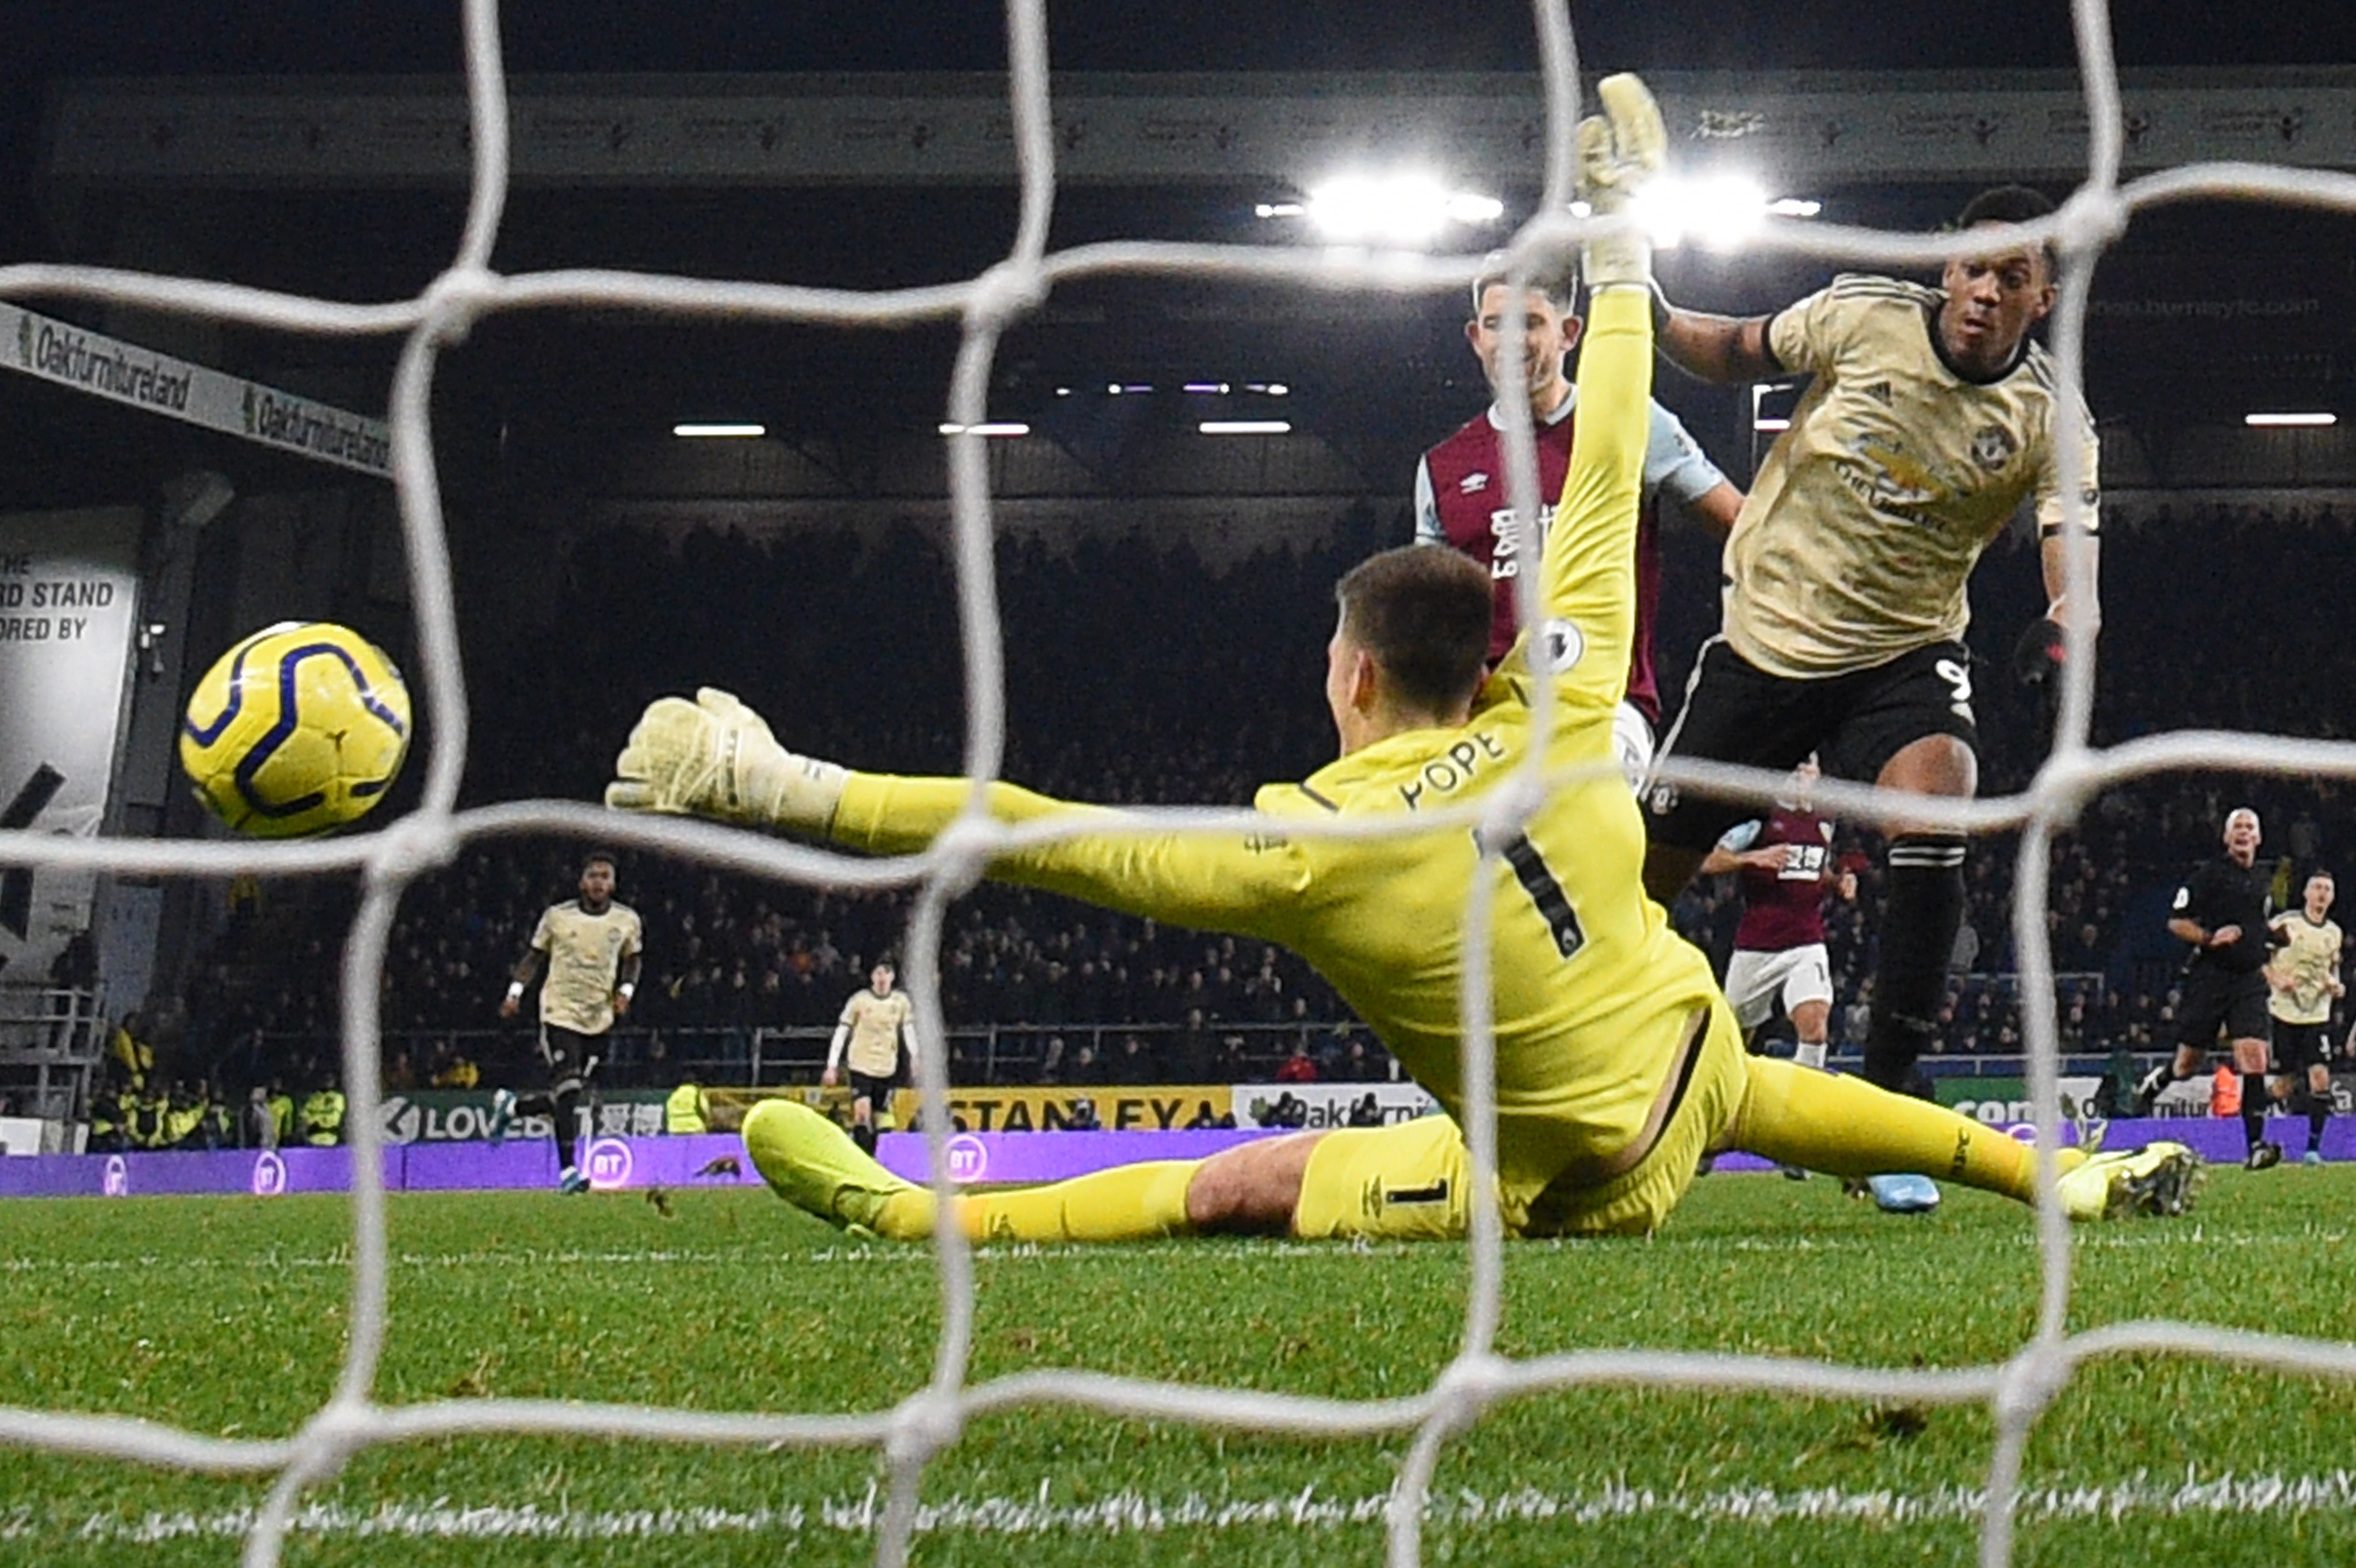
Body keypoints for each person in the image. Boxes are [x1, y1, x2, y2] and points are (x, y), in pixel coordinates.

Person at [606, 76, 2193, 1247]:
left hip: (1570, 1178)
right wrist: (1624, 243)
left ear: (1358, 675)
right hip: (1697, 1059)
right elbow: (1604, 463)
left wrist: (772, 780)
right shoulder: (1569, 703)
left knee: (1239, 1186)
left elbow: (1015, 829)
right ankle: (2064, 1168)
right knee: (1732, 1042)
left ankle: (921, 1224)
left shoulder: (1310, 846)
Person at [1639, 184, 2103, 1109]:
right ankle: (1595, 1056)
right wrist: (1645, 312)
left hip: (1901, 655)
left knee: (1940, 812)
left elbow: (2073, 554)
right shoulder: (1860, 316)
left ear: (2040, 299)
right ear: (1946, 268)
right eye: (1973, 269)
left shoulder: (2049, 417)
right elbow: (1730, 350)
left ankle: (1888, 1095)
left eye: (2010, 278)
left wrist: (2062, 619)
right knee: (1645, 873)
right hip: (1765, 644)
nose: (1983, 292)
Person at [1415, 251, 1743, 785]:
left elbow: (1737, 523)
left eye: (1531, 323)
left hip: (1604, 706)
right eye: (1496, 324)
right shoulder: (1443, 466)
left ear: (1569, 333)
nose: (1511, 340)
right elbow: (1427, 605)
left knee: (1574, 830)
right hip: (1485, 715)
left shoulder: (1628, 421)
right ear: (1475, 336)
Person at [2135, 809, 2280, 1168]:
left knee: (2255, 1058)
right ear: (2227, 838)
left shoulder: (2264, 878)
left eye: (2250, 828)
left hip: (2249, 980)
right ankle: (2159, 1081)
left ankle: (2257, 1145)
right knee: (2187, 1064)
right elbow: (2176, 921)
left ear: (2259, 839)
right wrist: (2210, 938)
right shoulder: (2209, 875)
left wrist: (2275, 938)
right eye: (2238, 828)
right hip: (2211, 979)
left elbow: (2259, 924)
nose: (2244, 833)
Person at [492, 851, 644, 1194]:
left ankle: (514, 1107)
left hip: (599, 1017)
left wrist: (626, 991)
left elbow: (633, 959)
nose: (599, 882)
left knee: (567, 1096)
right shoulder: (557, 917)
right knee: (569, 1088)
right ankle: (568, 1173)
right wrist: (515, 992)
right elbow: (534, 957)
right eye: (593, 876)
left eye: (605, 876)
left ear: (613, 883)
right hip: (559, 1012)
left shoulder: (626, 921)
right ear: (582, 881)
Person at [1699, 757, 1857, 1073]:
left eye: (1808, 769)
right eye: (1795, 768)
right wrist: (1755, 857)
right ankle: (1726, 1093)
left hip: (1806, 941)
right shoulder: (1760, 816)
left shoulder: (1826, 819)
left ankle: (1806, 1100)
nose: (1801, 775)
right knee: (1735, 1038)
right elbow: (1709, 862)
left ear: (1818, 775)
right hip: (1757, 945)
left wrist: (1837, 881)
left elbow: (1811, 868)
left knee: (1815, 1028)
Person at [2265, 870, 2342, 1166]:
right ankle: (2251, 1113)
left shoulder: (2334, 933)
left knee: (2320, 1077)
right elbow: (2258, 957)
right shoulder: (2287, 923)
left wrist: (2335, 985)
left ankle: (2313, 1150)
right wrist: (2276, 979)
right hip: (2284, 1012)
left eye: (2328, 889)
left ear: (2332, 897)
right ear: (2307, 894)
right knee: (2285, 1084)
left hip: (2317, 1014)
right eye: (2318, 888)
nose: (2322, 893)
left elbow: (2332, 968)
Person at [824, 961, 915, 1154]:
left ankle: (870, 1158)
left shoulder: (901, 1003)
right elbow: (842, 1031)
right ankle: (862, 1161)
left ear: (892, 978)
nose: (882, 978)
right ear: (873, 977)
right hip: (860, 1065)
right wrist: (832, 1065)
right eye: (878, 974)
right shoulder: (859, 1001)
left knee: (879, 1120)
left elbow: (908, 1030)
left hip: (887, 1068)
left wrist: (916, 1057)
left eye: (886, 974)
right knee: (862, 1114)